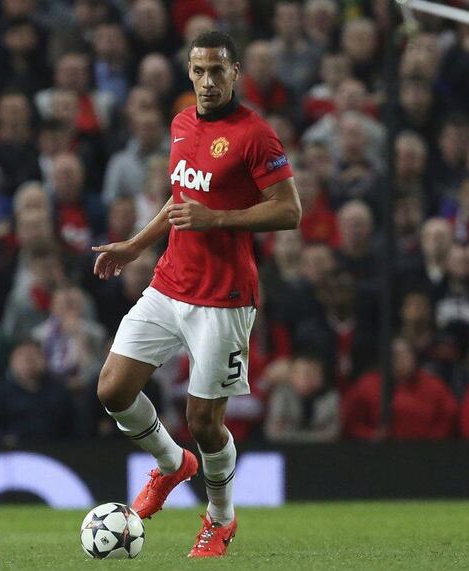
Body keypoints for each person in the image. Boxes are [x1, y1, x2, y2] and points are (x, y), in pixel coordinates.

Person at [92, 31, 301, 558]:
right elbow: (180, 200)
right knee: (113, 389)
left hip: (225, 297)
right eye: (199, 71)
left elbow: (289, 210)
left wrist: (220, 218)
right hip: (169, 283)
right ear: (189, 73)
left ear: (235, 74)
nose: (208, 82)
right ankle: (170, 463)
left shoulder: (256, 135)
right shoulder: (182, 123)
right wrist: (135, 246)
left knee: (205, 422)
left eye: (218, 71)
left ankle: (221, 519)